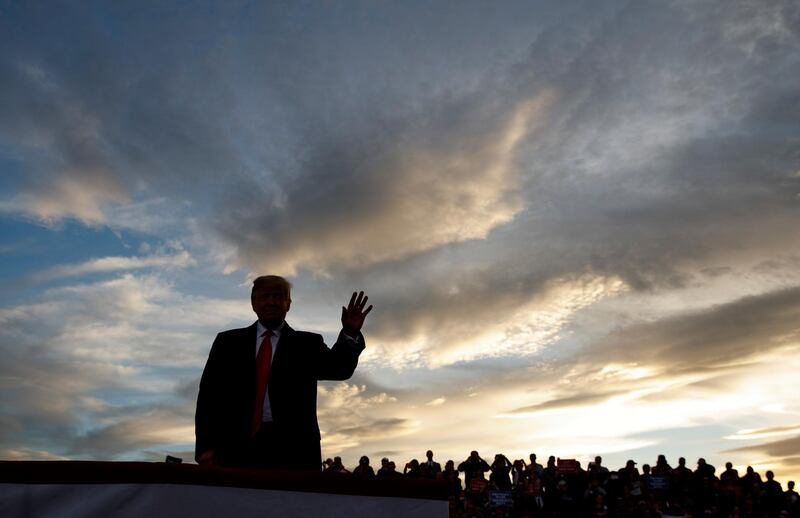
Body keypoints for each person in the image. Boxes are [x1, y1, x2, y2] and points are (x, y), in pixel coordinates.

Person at [194, 275, 372, 470]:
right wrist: (206, 446)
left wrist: (350, 332)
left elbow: (340, 369)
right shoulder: (227, 343)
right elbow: (208, 397)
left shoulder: (307, 344)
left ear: (288, 304)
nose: (271, 301)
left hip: (293, 452)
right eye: (265, 296)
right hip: (234, 449)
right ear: (253, 303)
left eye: (278, 296)